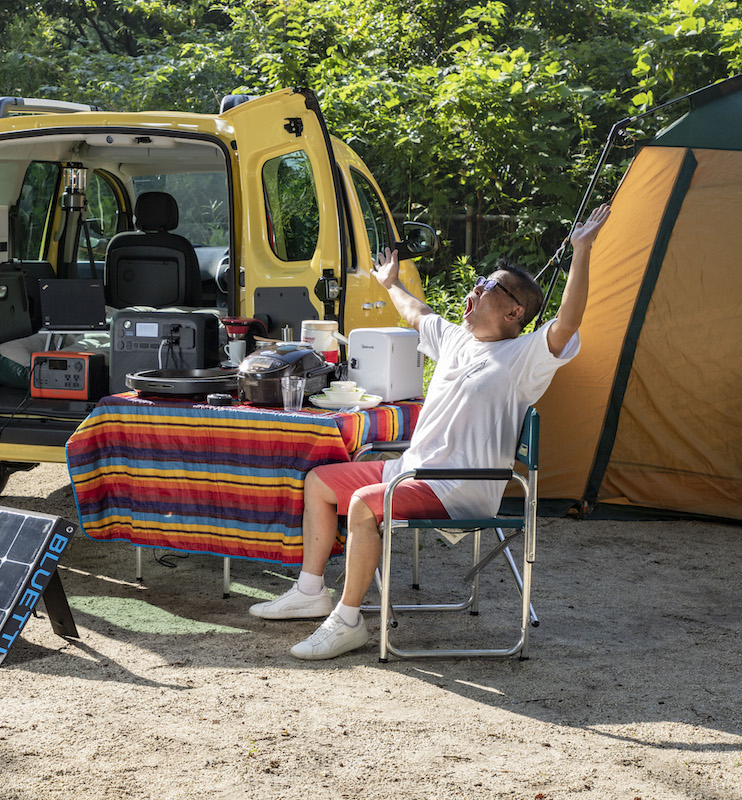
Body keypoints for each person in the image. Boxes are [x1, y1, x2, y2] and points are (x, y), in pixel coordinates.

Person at [249, 204, 613, 660]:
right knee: (319, 481)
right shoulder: (458, 339)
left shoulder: (525, 357)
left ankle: (348, 621)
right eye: (480, 281)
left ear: (515, 311)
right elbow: (417, 313)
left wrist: (582, 251)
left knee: (365, 503)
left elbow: (568, 322)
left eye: (489, 285)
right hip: (412, 471)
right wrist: (390, 283)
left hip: (458, 489)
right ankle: (310, 592)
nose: (476, 287)